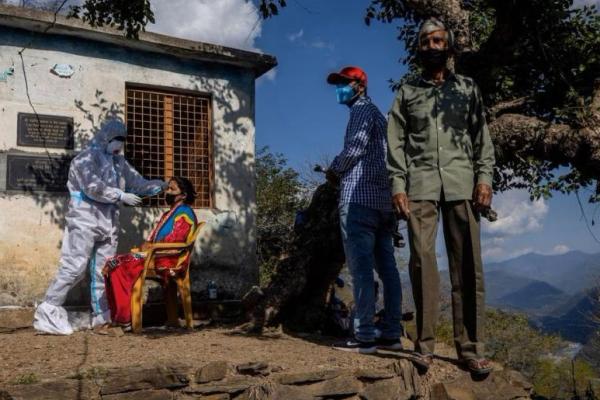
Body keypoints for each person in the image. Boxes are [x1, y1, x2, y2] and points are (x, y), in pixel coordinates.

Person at [386, 18, 495, 374]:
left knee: (468, 266)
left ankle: (471, 348)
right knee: (421, 261)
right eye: (425, 41)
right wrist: (398, 186)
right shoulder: (406, 92)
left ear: (448, 48)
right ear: (418, 49)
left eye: (437, 41)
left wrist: (484, 179)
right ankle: (425, 345)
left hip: (463, 185)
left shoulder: (467, 89)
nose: (431, 46)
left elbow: (482, 138)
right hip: (419, 187)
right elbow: (396, 144)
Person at [33, 118, 167, 335]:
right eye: (116, 139)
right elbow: (93, 187)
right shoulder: (85, 159)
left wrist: (158, 186)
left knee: (103, 270)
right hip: (84, 219)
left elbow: (137, 183)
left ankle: (101, 318)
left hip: (108, 222)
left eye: (122, 140)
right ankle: (48, 310)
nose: (119, 144)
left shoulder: (118, 162)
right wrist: (120, 194)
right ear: (106, 137)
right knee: (74, 266)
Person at [326, 66, 403, 354]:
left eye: (345, 83)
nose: (340, 89)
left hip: (358, 199)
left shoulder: (360, 110)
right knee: (388, 270)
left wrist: (335, 170)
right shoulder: (380, 117)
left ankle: (364, 335)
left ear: (360, 86)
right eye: (338, 84)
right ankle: (392, 333)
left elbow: (355, 147)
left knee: (360, 271)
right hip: (383, 203)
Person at [102, 177, 198, 329]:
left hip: (168, 259)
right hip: (155, 254)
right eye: (168, 188)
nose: (168, 192)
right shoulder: (169, 214)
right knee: (112, 262)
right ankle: (120, 316)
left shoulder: (185, 213)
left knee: (119, 264)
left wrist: (151, 248)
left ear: (183, 195)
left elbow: (175, 242)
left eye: (172, 189)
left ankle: (125, 319)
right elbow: (154, 238)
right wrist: (148, 245)